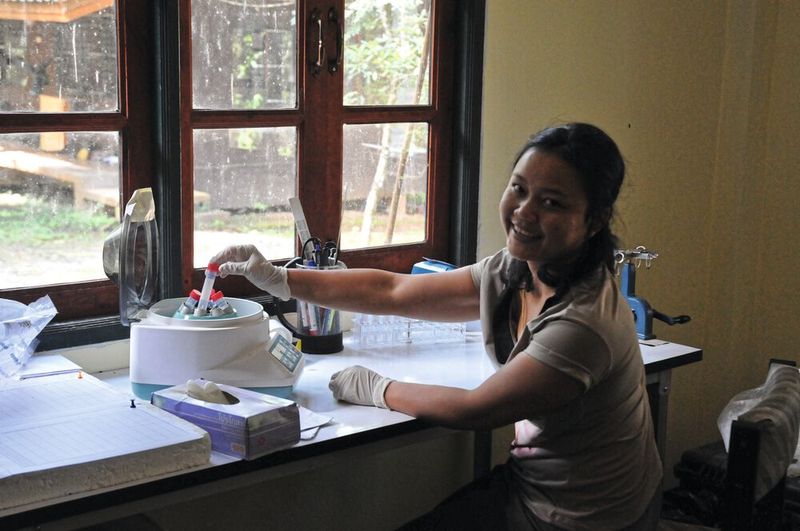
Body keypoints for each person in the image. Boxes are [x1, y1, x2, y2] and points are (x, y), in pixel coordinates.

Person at [210, 122, 662, 530]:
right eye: (519, 189)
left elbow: (477, 411)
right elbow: (392, 292)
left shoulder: (583, 323)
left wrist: (377, 388)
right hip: (535, 484)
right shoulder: (517, 268)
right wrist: (280, 279)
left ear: (595, 219)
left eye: (552, 203)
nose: (524, 212)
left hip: (588, 516)